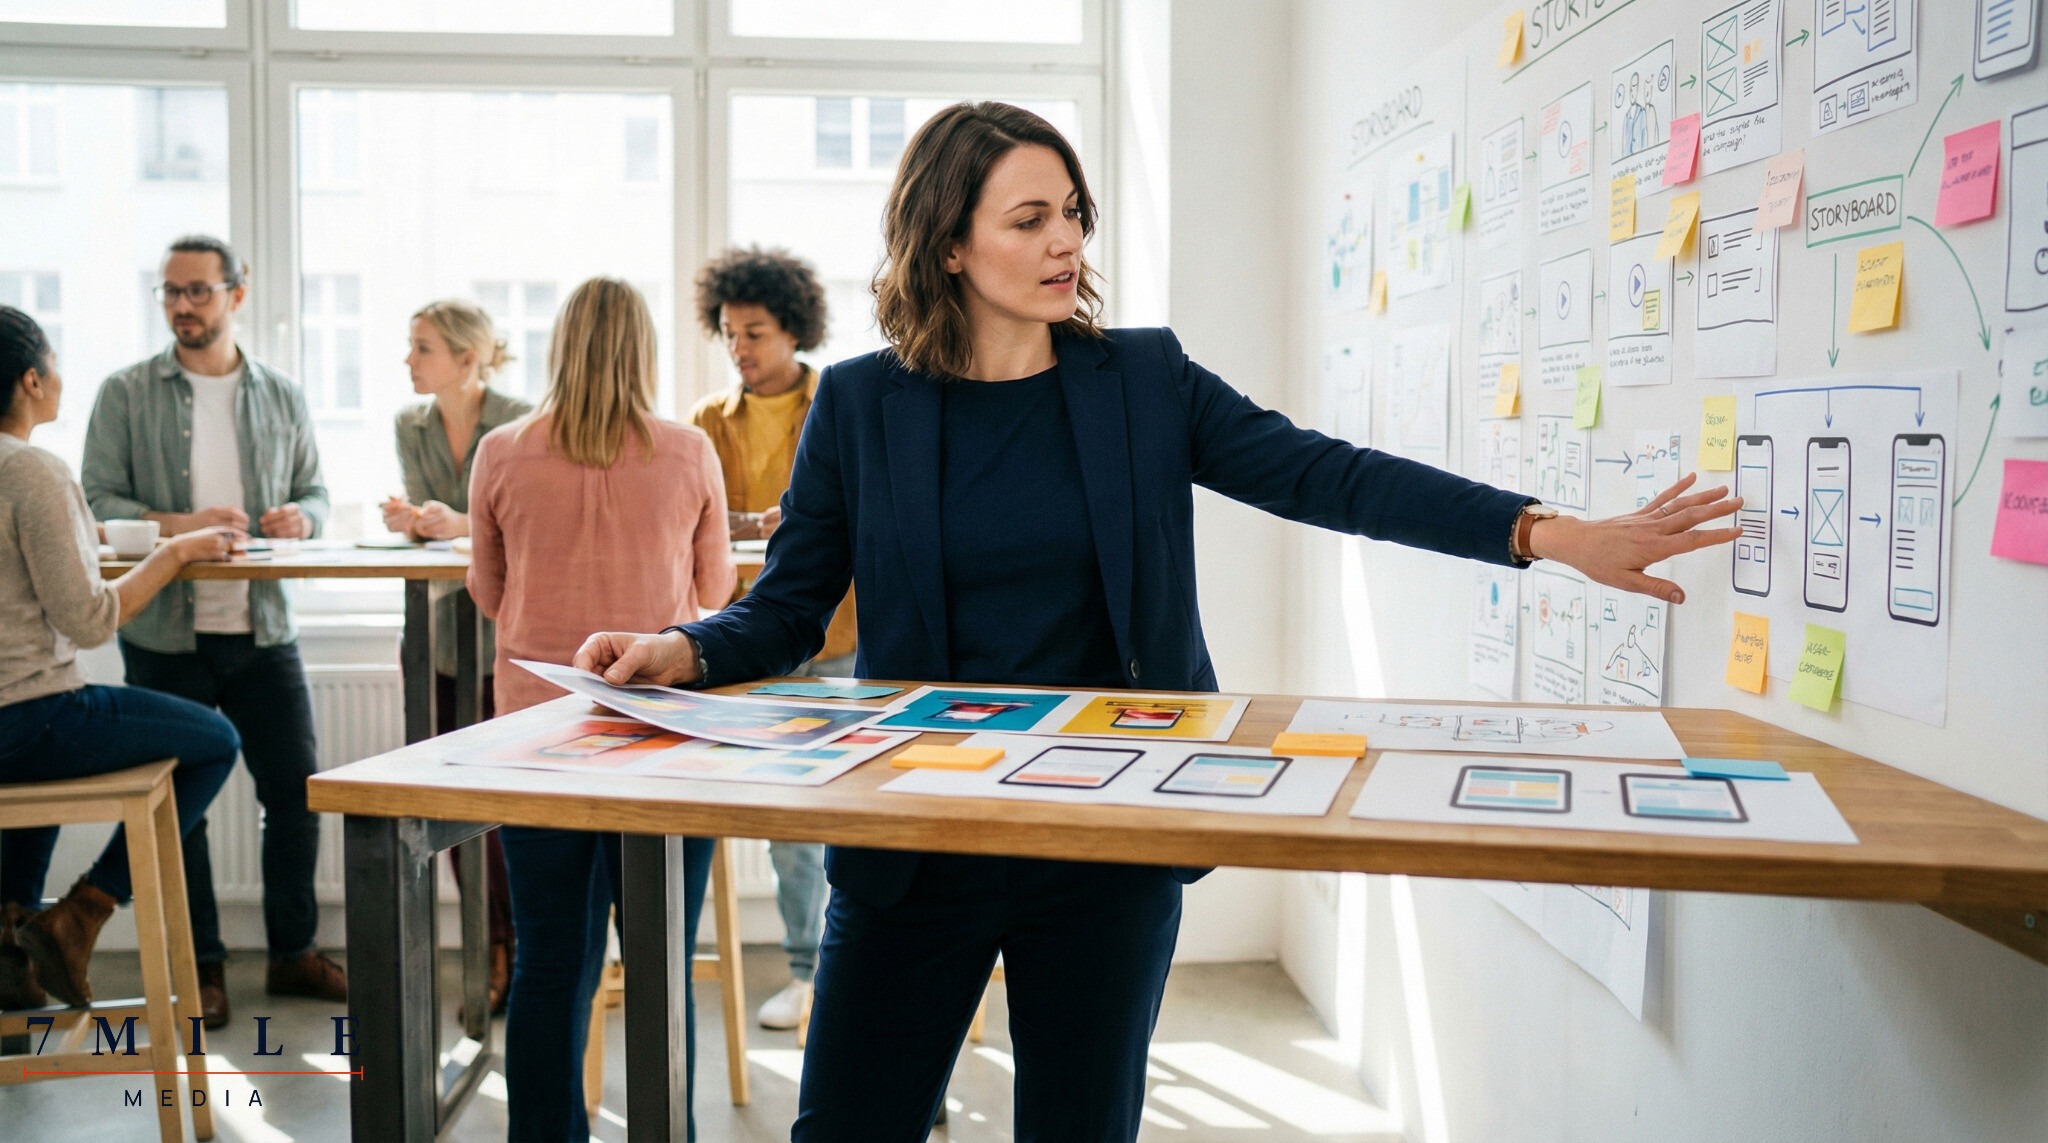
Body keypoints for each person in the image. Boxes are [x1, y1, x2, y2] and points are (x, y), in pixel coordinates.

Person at [576, 102, 1744, 1142]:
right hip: (916, 840)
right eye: (1029, 218)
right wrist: (684, 648)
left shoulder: (1138, 379)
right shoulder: (863, 404)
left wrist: (1543, 532)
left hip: (1104, 835)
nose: (1066, 242)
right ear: (946, 243)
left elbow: (1322, 473)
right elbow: (790, 602)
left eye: (1072, 213)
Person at [467, 277, 735, 1142]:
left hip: (535, 732)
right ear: (645, 350)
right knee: (659, 963)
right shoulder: (688, 449)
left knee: (551, 957)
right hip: (661, 733)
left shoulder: (500, 451)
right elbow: (717, 591)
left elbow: (487, 589)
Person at [80, 234, 344, 1029]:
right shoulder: (124, 392)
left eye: (197, 290)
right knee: (177, 808)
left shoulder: (283, 394)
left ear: (237, 292)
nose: (182, 306)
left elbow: (318, 490)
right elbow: (97, 502)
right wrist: (181, 525)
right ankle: (203, 969)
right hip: (164, 632)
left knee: (295, 794)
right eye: (170, 292)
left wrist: (307, 517)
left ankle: (293, 952)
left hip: (265, 627)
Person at [0, 305, 240, 1010]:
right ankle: (84, 912)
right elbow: (90, 617)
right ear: (33, 380)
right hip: (28, 714)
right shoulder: (35, 471)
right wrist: (171, 553)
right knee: (217, 740)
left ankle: (11, 943)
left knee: (40, 780)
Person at [687, 247, 850, 1031]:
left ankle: (853, 969)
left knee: (850, 811)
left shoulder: (841, 403)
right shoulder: (705, 423)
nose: (740, 349)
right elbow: (701, 527)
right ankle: (805, 971)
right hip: (751, 643)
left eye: (753, 332)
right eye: (728, 334)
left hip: (845, 635)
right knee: (788, 820)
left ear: (793, 331)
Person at [381, 299, 532, 1014]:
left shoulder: (522, 417)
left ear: (467, 359)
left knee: (506, 799)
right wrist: (413, 520)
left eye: (422, 347)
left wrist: (457, 522)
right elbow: (427, 513)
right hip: (440, 630)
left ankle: (512, 942)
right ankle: (493, 937)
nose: (408, 359)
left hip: (509, 628)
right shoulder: (407, 423)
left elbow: (528, 525)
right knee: (447, 795)